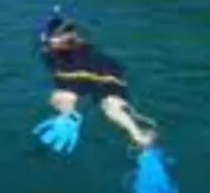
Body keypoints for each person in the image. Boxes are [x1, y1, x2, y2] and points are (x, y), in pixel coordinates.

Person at [39, 15, 156, 148]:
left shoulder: (49, 50)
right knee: (111, 105)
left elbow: (52, 53)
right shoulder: (82, 42)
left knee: (62, 96)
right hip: (106, 73)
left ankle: (69, 116)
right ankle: (140, 137)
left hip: (83, 74)